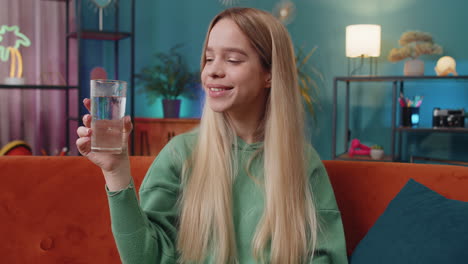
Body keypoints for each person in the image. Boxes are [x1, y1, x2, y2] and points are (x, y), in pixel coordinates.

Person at [76, 7, 348, 264]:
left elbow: (325, 257)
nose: (213, 70)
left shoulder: (302, 162)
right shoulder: (180, 154)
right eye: (208, 58)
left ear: (270, 74)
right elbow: (143, 258)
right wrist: (116, 173)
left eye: (233, 59)